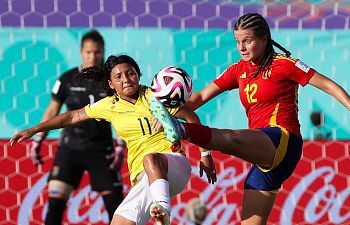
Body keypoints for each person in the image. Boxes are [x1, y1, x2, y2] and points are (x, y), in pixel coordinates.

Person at [147, 13, 350, 225]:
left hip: (283, 139)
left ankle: (183, 130)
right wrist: (169, 110)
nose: (241, 47)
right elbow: (199, 97)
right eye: (238, 42)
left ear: (265, 39)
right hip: (263, 156)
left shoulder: (284, 64)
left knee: (230, 138)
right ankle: (179, 127)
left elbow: (327, 84)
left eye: (247, 41)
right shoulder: (239, 70)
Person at [10, 54, 217, 225]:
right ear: (110, 83)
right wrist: (34, 129)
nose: (126, 79)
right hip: (143, 179)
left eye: (130, 73)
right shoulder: (108, 105)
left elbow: (190, 116)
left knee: (151, 159)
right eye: (118, 77)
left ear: (138, 75)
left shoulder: (155, 96)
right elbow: (71, 116)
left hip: (173, 164)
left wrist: (205, 154)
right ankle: (160, 210)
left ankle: (163, 209)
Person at [27, 30, 124, 225]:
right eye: (88, 52)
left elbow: (122, 114)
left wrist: (120, 145)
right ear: (81, 52)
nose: (92, 57)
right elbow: (52, 110)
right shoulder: (67, 79)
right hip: (71, 148)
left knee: (118, 210)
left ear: (103, 52)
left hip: (102, 151)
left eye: (97, 52)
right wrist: (38, 139)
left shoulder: (112, 80)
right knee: (55, 204)